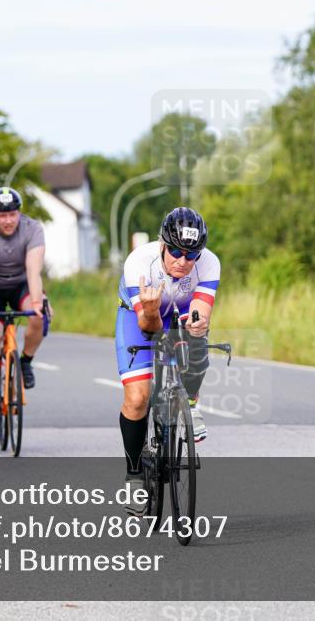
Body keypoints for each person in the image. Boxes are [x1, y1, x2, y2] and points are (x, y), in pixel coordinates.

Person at [115, 207, 219, 513]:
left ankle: (190, 404)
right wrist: (149, 310)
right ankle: (134, 475)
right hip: (139, 316)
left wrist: (197, 325)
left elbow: (201, 310)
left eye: (191, 255)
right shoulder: (139, 262)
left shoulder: (209, 263)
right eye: (175, 251)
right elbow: (148, 328)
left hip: (178, 311)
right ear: (162, 244)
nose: (183, 261)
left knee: (198, 338)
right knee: (137, 399)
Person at [0, 186, 48, 440]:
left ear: (19, 213)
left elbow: (34, 271)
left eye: (12, 214)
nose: (8, 220)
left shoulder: (33, 229)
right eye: (2, 215)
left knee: (40, 314)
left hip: (21, 285)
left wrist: (36, 302)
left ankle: (25, 361)